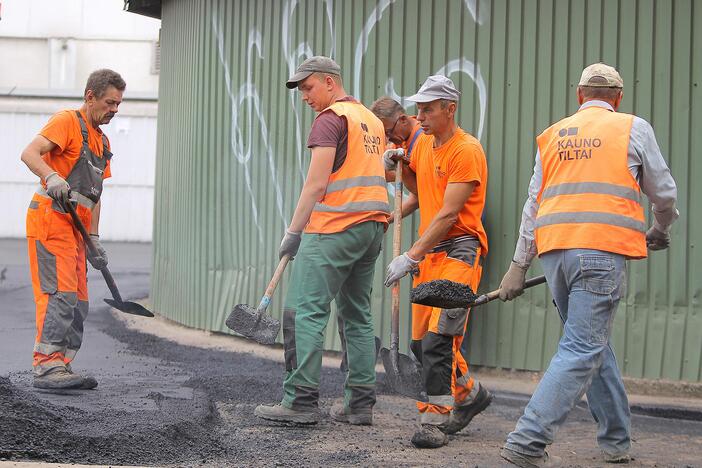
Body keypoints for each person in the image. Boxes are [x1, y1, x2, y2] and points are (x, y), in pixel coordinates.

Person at [497, 63, 679, 467]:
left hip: (555, 253)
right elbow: (663, 193)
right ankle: (526, 441)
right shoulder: (632, 127)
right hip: (600, 254)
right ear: (618, 98)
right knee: (582, 347)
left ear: (579, 96)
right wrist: (660, 227)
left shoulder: (553, 135)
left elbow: (533, 204)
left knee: (593, 345)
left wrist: (518, 265)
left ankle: (616, 440)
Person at [254, 56, 390, 425]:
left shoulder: (331, 120)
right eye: (300, 90)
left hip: (335, 227)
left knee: (302, 311)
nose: (304, 96)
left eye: (308, 87)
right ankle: (359, 404)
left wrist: (293, 233)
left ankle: (299, 401)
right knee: (357, 315)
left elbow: (316, 184)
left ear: (330, 82)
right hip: (372, 229)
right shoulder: (372, 121)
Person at [383, 75, 492, 448]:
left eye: (428, 109)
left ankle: (435, 419)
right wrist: (397, 163)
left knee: (439, 341)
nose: (420, 116)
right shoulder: (425, 146)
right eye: (419, 109)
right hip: (430, 254)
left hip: (460, 251)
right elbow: (419, 188)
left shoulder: (466, 150)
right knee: (419, 345)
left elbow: (447, 214)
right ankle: (469, 394)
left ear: (451, 108)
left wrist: (409, 256)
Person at [20, 69, 126, 390]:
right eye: (110, 103)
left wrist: (93, 239)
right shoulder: (67, 122)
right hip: (51, 220)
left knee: (79, 300)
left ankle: (62, 364)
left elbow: (95, 197)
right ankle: (46, 365)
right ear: (90, 96)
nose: (115, 110)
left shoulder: (102, 142)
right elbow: (29, 153)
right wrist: (51, 176)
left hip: (77, 230)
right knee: (59, 295)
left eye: (119, 104)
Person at [370, 96, 423, 219]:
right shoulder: (400, 140)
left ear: (403, 119)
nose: (388, 139)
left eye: (389, 132)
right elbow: (386, 174)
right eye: (384, 135)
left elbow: (419, 193)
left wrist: (401, 166)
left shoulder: (423, 141)